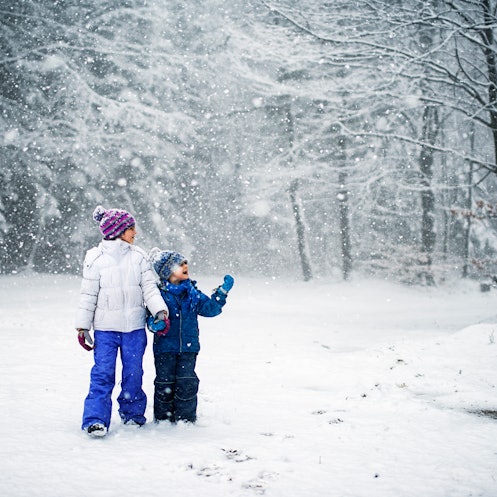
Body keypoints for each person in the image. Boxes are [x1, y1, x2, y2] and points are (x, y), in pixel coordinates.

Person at [75, 206, 169, 437]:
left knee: (133, 373)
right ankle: (95, 419)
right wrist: (82, 326)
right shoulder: (95, 259)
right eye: (131, 229)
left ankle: (133, 414)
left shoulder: (138, 257)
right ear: (118, 231)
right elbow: (88, 295)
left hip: (134, 328)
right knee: (102, 374)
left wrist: (160, 311)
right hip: (106, 330)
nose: (135, 233)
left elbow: (149, 289)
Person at [147, 248, 234, 424]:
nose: (185, 265)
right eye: (180, 264)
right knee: (165, 383)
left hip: (188, 348)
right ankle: (163, 419)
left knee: (187, 382)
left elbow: (210, 309)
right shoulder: (157, 295)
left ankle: (185, 419)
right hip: (165, 349)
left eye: (185, 263)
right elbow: (149, 317)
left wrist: (221, 293)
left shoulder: (192, 293)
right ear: (168, 272)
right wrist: (155, 324)